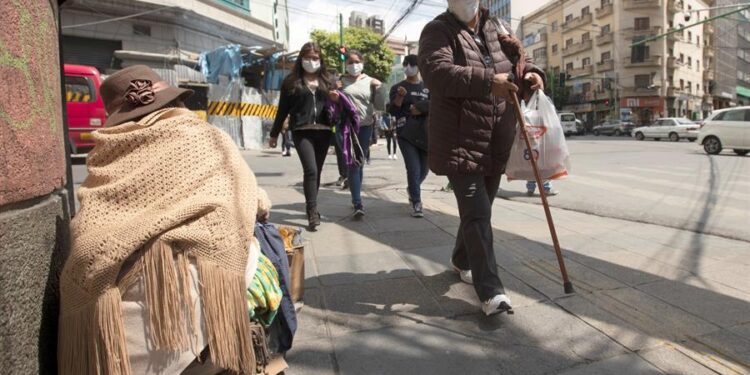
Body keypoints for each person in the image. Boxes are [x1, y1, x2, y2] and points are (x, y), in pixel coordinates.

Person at [58, 65, 270, 374]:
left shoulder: (105, 158)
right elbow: (253, 198)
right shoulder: (205, 137)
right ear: (175, 104)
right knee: (256, 247)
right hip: (193, 313)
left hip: (113, 345)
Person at [419, 0, 545, 316]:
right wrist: (489, 82)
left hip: (496, 138)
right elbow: (437, 73)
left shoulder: (497, 27)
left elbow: (519, 60)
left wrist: (531, 73)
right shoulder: (437, 30)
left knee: (480, 210)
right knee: (477, 214)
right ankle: (491, 292)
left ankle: (462, 259)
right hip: (460, 141)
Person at [269, 42, 337, 230]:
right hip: (301, 130)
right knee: (311, 170)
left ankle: (312, 207)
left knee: (317, 172)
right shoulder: (291, 82)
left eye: (315, 58)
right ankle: (312, 212)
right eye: (307, 58)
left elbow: (337, 107)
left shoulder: (328, 81)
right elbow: (282, 110)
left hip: (323, 130)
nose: (311, 61)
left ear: (320, 60)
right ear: (301, 59)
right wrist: (274, 134)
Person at [339, 49, 383, 218]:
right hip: (347, 127)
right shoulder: (341, 82)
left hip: (365, 127)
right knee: (353, 163)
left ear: (362, 63)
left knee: (359, 162)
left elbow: (380, 105)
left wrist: (379, 89)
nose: (353, 65)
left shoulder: (370, 81)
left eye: (356, 62)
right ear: (345, 64)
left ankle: (356, 197)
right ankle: (358, 203)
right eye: (350, 62)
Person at [389, 54, 430, 218]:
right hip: (405, 132)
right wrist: (399, 96)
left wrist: (421, 106)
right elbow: (392, 110)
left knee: (424, 171)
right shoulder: (397, 87)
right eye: (406, 64)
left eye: (412, 64)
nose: (409, 67)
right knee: (413, 169)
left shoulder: (428, 87)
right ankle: (416, 201)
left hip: (426, 133)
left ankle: (413, 188)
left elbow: (439, 104)